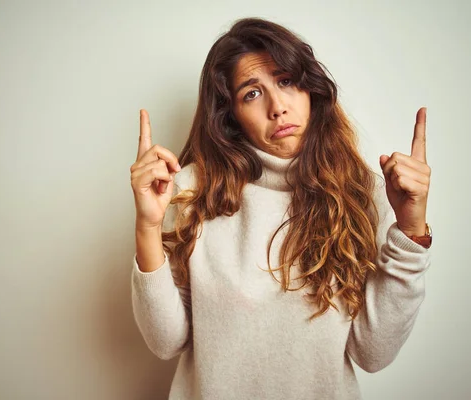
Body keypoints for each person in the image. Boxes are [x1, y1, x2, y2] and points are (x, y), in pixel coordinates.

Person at [129, 17, 432, 400]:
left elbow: (372, 353)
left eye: (286, 81)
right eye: (252, 94)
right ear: (230, 115)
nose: (278, 107)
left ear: (311, 89)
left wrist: (410, 230)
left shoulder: (364, 192)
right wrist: (147, 227)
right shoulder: (190, 191)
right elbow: (165, 342)